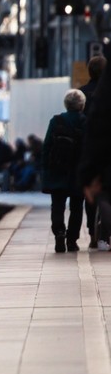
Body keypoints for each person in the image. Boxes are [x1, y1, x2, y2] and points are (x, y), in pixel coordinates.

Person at [41, 89, 87, 253]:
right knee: (76, 207)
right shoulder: (86, 122)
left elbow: (46, 146)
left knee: (58, 206)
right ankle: (72, 240)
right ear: (82, 105)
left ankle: (59, 233)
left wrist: (46, 169)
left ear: (66, 105)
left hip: (58, 170)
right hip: (78, 173)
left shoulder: (56, 121)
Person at [81, 62, 111, 252]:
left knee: (96, 196)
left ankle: (94, 234)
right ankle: (105, 235)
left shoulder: (82, 94)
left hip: (95, 153)